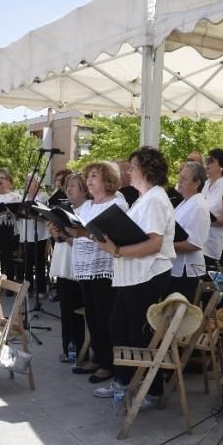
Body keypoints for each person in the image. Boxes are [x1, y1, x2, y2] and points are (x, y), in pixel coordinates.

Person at [93, 147, 176, 406]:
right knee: (119, 327)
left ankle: (152, 390)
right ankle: (124, 381)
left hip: (147, 275)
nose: (128, 172)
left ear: (147, 171)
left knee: (142, 335)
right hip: (134, 275)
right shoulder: (144, 198)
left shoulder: (154, 199)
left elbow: (153, 244)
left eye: (133, 167)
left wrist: (116, 249)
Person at [69, 161, 127, 382]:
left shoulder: (117, 204)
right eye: (89, 177)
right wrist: (59, 226)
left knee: (105, 315)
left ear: (107, 180)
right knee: (92, 315)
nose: (89, 180)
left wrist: (86, 232)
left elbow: (117, 233)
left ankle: (108, 363)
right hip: (85, 266)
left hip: (105, 266)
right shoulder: (87, 206)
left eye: (94, 176)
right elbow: (76, 231)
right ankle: (98, 355)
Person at [47, 172, 87, 363]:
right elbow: (61, 240)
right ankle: (68, 346)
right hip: (64, 262)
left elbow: (85, 242)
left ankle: (80, 349)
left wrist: (64, 236)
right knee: (66, 309)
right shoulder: (64, 209)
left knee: (77, 309)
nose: (68, 189)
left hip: (79, 265)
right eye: (67, 186)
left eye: (73, 185)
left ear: (83, 190)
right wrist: (55, 233)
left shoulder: (88, 210)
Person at [171, 160, 211, 301]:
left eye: (184, 178)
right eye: (180, 177)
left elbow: (194, 244)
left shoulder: (199, 206)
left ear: (197, 183)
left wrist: (163, 246)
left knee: (180, 316)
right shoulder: (185, 202)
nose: (179, 181)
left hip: (186, 272)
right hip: (175, 268)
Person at [17, 173, 50, 298]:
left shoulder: (43, 196)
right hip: (25, 233)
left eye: (30, 181)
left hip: (39, 234)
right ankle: (28, 289)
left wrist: (33, 215)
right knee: (27, 262)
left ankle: (41, 289)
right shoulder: (22, 197)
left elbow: (45, 215)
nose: (27, 183)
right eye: (26, 181)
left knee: (39, 261)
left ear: (37, 183)